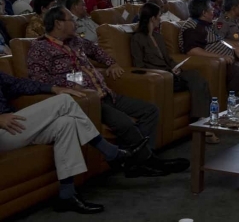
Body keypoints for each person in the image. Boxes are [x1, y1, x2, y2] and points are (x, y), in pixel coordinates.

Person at [27, 6, 188, 178]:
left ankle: (136, 162)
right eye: (71, 20)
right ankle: (150, 161)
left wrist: (112, 63)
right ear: (58, 24)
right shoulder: (40, 48)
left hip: (106, 93)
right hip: (88, 100)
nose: (75, 23)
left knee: (150, 110)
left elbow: (96, 50)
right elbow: (39, 80)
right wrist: (66, 85)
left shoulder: (75, 41)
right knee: (125, 123)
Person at [0, 78, 141, 214]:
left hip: (13, 127)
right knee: (64, 100)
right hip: (2, 133)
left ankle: (66, 195)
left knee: (66, 123)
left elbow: (18, 84)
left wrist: (53, 88)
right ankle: (111, 152)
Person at [131, 3, 215, 137]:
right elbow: (139, 65)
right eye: (159, 16)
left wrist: (177, 67)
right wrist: (162, 72)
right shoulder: (137, 38)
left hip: (171, 72)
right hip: (160, 77)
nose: (161, 19)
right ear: (152, 18)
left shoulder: (158, 37)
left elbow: (168, 58)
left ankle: (202, 121)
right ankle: (202, 123)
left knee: (197, 77)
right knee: (196, 79)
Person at [179, 0, 239, 95]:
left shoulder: (207, 24)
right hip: (216, 62)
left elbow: (219, 41)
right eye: (211, 10)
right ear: (204, 13)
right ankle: (234, 105)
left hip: (228, 60)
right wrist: (221, 57)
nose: (213, 11)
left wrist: (234, 48)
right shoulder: (192, 27)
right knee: (237, 72)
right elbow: (192, 50)